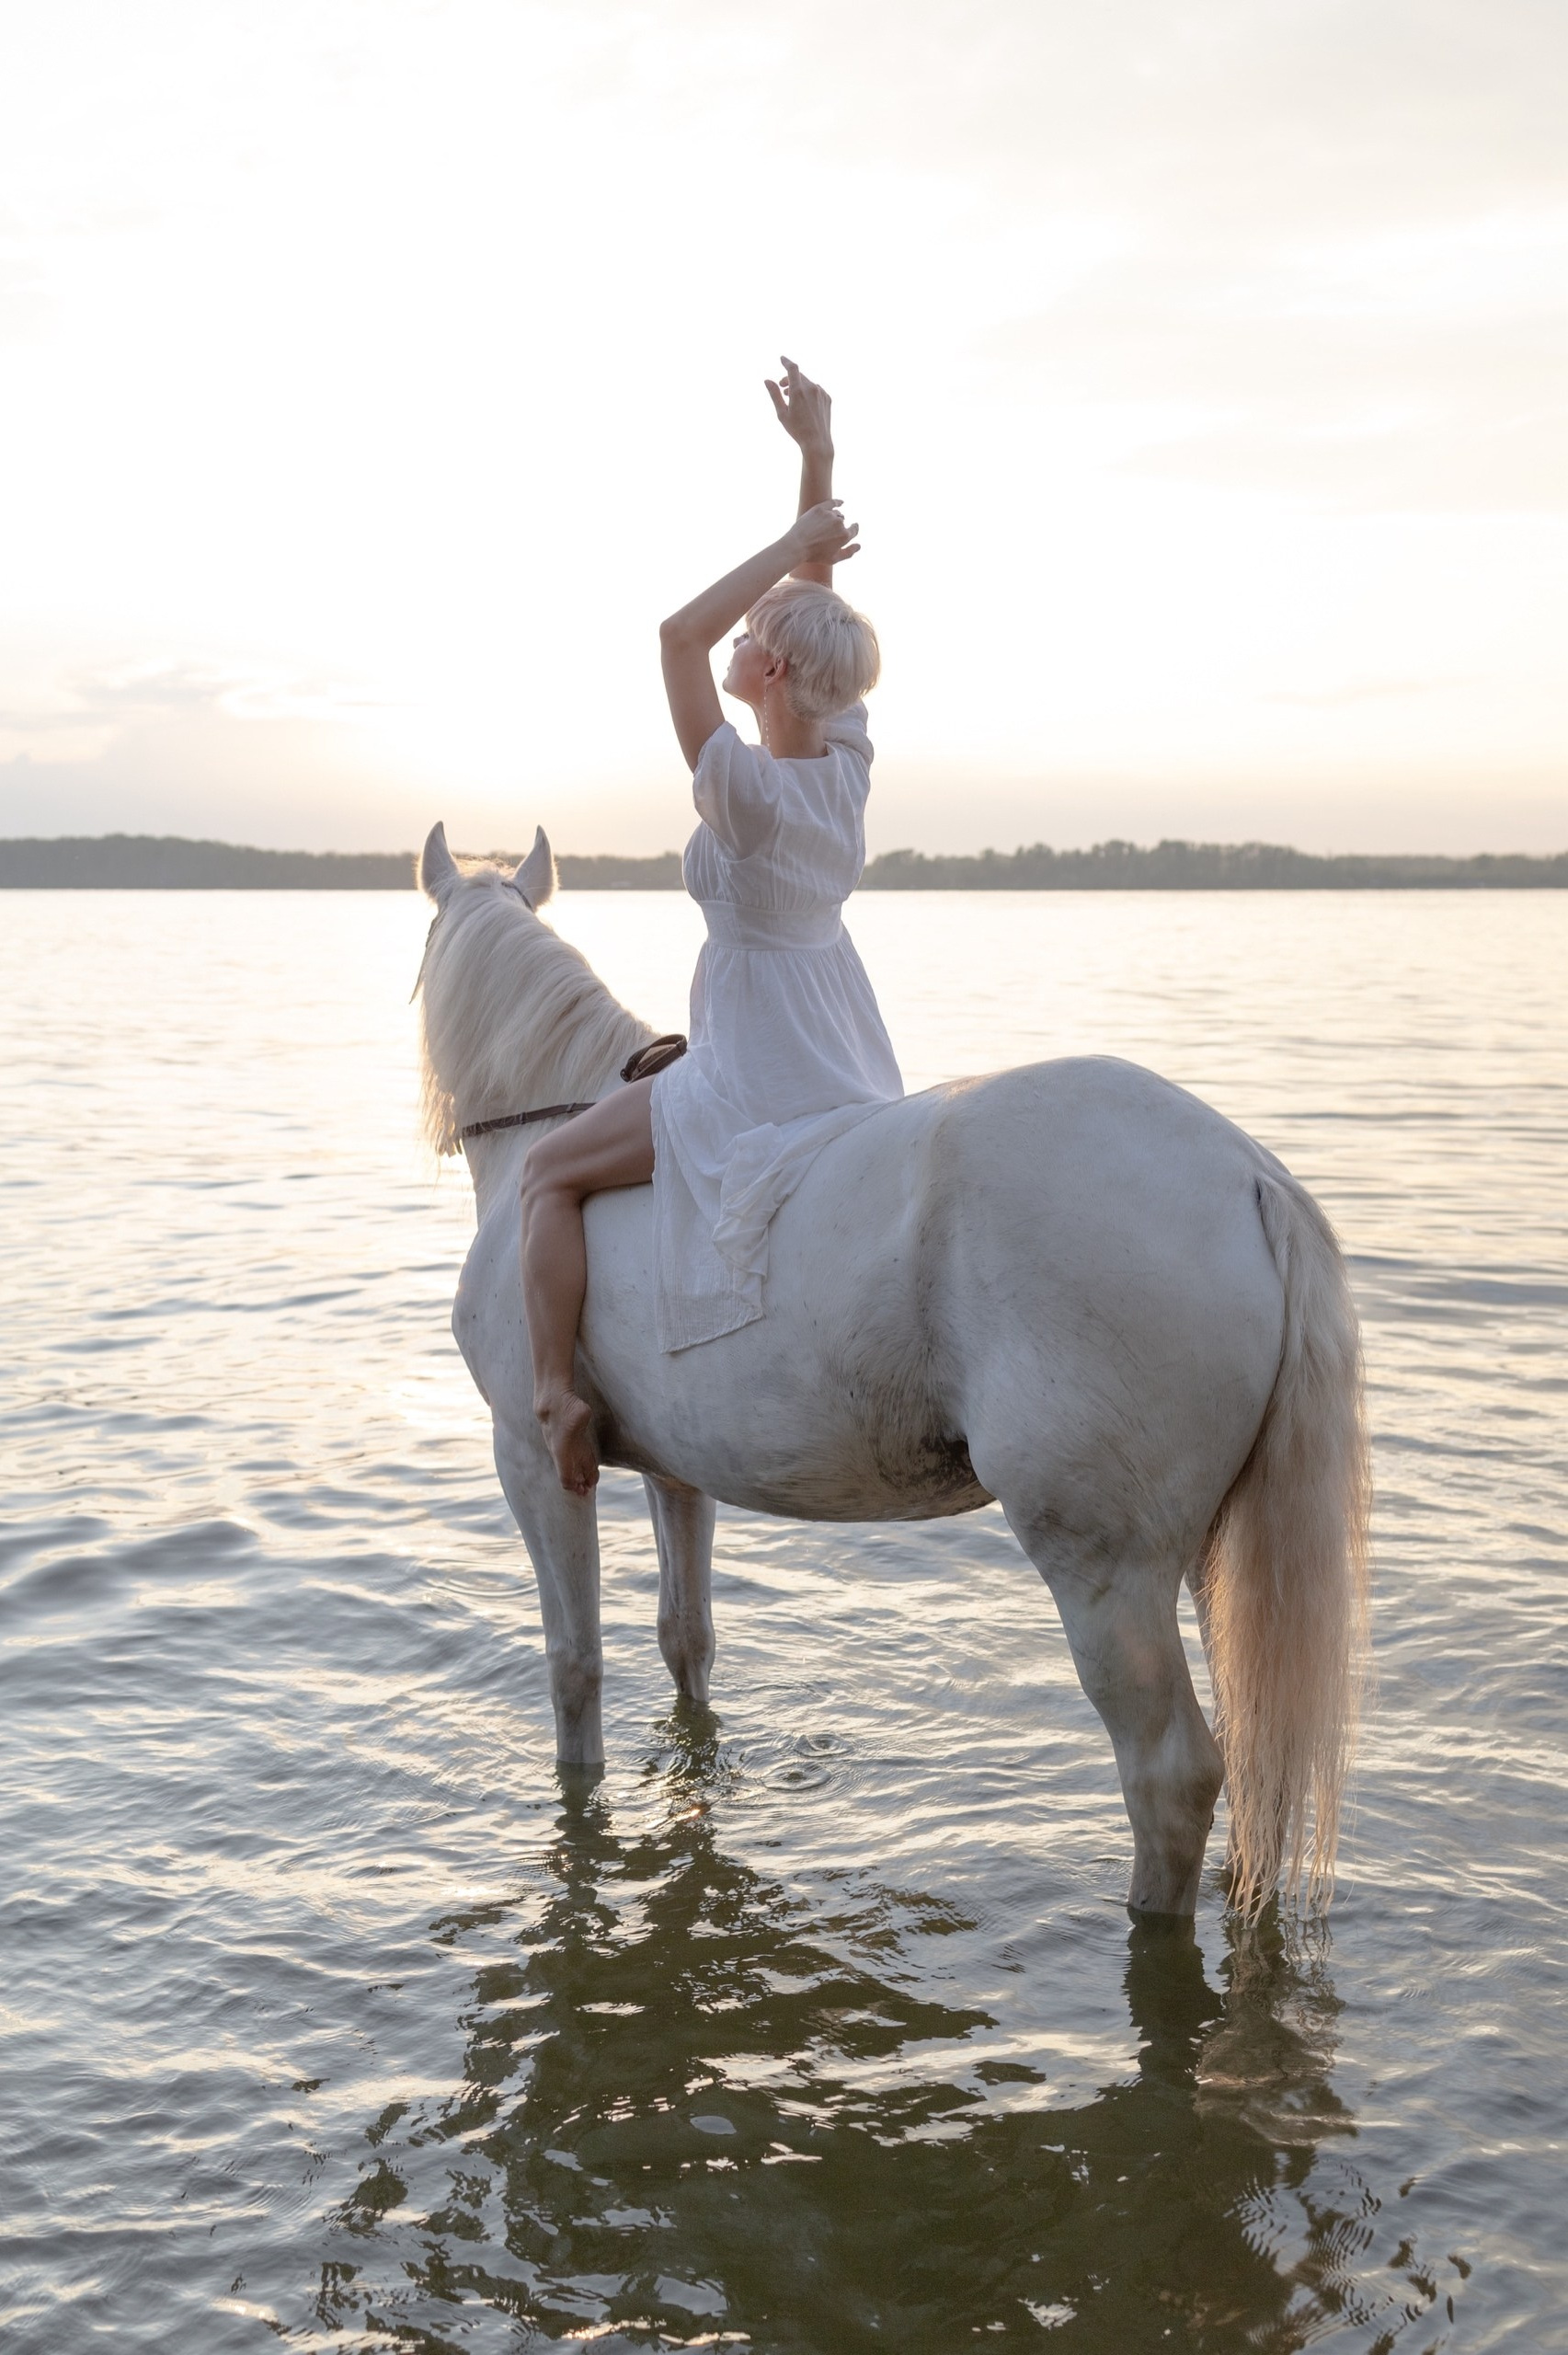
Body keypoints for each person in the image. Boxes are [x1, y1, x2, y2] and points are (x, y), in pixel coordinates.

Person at [521, 359, 904, 1495]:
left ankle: (552, 1393)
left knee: (545, 1170)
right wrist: (814, 459)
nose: (735, 639)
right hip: (835, 1045)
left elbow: (675, 635)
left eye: (756, 637)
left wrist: (789, 553)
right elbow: (813, 609)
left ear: (770, 669)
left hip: (750, 1073)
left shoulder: (744, 794)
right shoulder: (845, 762)